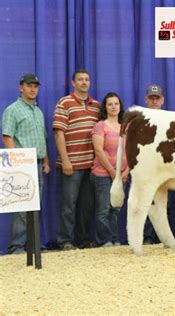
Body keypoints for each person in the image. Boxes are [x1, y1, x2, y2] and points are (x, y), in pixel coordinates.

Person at [2, 73, 50, 254]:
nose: (33, 89)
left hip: (37, 163)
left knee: (35, 206)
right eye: (29, 86)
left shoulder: (38, 111)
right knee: (22, 206)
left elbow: (42, 139)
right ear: (21, 87)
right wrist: (16, 163)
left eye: (35, 86)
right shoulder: (12, 110)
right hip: (23, 165)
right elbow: (7, 137)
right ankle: (17, 247)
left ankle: (32, 246)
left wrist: (45, 161)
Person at [53, 69, 100, 250]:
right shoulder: (64, 103)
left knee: (87, 206)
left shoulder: (96, 106)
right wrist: (65, 160)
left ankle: (83, 240)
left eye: (87, 79)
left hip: (91, 165)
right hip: (71, 164)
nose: (84, 82)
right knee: (68, 205)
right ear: (73, 83)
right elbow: (59, 133)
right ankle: (65, 241)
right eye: (80, 79)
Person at [91, 92, 129, 246]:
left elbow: (133, 151)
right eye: (110, 104)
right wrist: (113, 173)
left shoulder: (126, 127)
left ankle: (114, 239)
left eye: (116, 104)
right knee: (103, 209)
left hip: (122, 175)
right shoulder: (100, 126)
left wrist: (125, 172)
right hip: (103, 174)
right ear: (105, 108)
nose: (114, 107)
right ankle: (104, 241)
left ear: (120, 106)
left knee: (115, 209)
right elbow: (98, 151)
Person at [143, 84, 165, 244]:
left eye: (157, 98)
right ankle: (149, 237)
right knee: (146, 201)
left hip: (165, 168)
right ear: (146, 100)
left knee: (163, 202)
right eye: (152, 98)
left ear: (162, 100)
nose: (154, 101)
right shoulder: (141, 119)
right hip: (147, 168)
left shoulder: (169, 119)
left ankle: (162, 237)